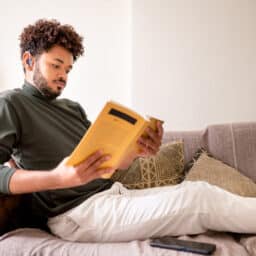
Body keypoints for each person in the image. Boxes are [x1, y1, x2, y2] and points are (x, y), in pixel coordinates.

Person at [0, 19, 255, 243]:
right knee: (199, 199)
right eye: (56, 65)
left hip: (111, 195)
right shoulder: (11, 104)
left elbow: (107, 164)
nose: (63, 76)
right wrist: (59, 178)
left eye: (67, 69)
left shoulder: (72, 108)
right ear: (28, 60)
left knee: (201, 190)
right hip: (76, 215)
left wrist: (136, 151)